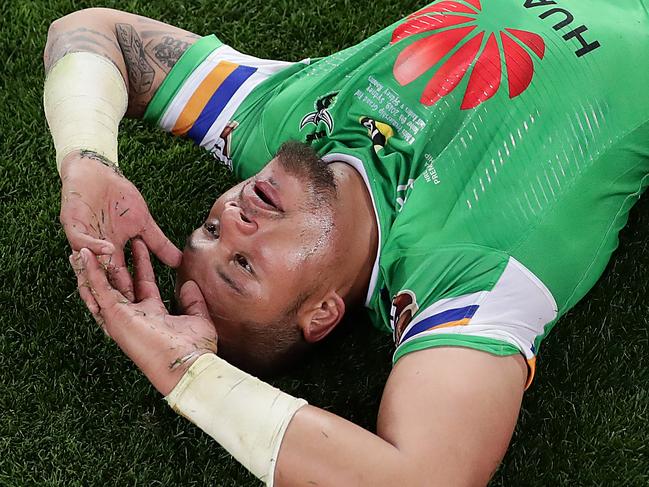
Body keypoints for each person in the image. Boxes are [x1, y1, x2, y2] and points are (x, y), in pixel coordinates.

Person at [44, 2, 649, 486]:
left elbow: (93, 31)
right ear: (323, 311)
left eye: (207, 229)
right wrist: (185, 373)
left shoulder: (269, 124)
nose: (231, 221)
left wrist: (84, 159)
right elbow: (426, 477)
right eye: (245, 265)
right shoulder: (462, 281)